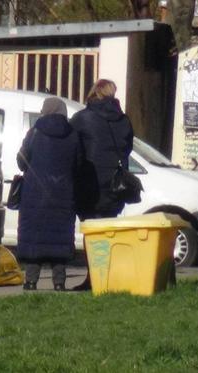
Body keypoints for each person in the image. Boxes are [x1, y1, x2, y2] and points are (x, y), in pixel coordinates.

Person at [69, 79, 134, 290]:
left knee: (92, 233)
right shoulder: (123, 120)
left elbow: (74, 150)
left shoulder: (81, 119)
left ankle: (94, 278)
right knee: (108, 232)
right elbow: (127, 148)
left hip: (89, 184)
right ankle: (106, 277)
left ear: (93, 93)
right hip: (116, 185)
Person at [16, 97, 83, 291]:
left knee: (35, 237)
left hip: (35, 193)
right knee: (59, 238)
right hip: (63, 193)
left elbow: (22, 160)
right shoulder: (73, 134)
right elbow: (78, 164)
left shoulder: (35, 132)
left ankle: (30, 281)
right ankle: (59, 282)